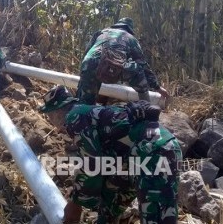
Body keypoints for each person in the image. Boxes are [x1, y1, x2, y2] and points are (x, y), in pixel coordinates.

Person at [40, 85, 182, 224]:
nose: (52, 122)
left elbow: (92, 163)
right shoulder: (86, 112)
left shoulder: (74, 117)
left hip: (154, 153)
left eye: (50, 116)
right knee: (110, 201)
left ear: (57, 112)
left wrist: (76, 202)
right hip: (136, 156)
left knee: (157, 215)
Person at [76, 17, 169, 105]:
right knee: (138, 70)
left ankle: (81, 112)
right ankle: (146, 107)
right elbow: (143, 65)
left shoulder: (100, 33)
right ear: (129, 29)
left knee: (85, 102)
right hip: (113, 69)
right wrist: (157, 87)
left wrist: (84, 73)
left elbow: (86, 53)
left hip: (89, 64)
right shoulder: (131, 39)